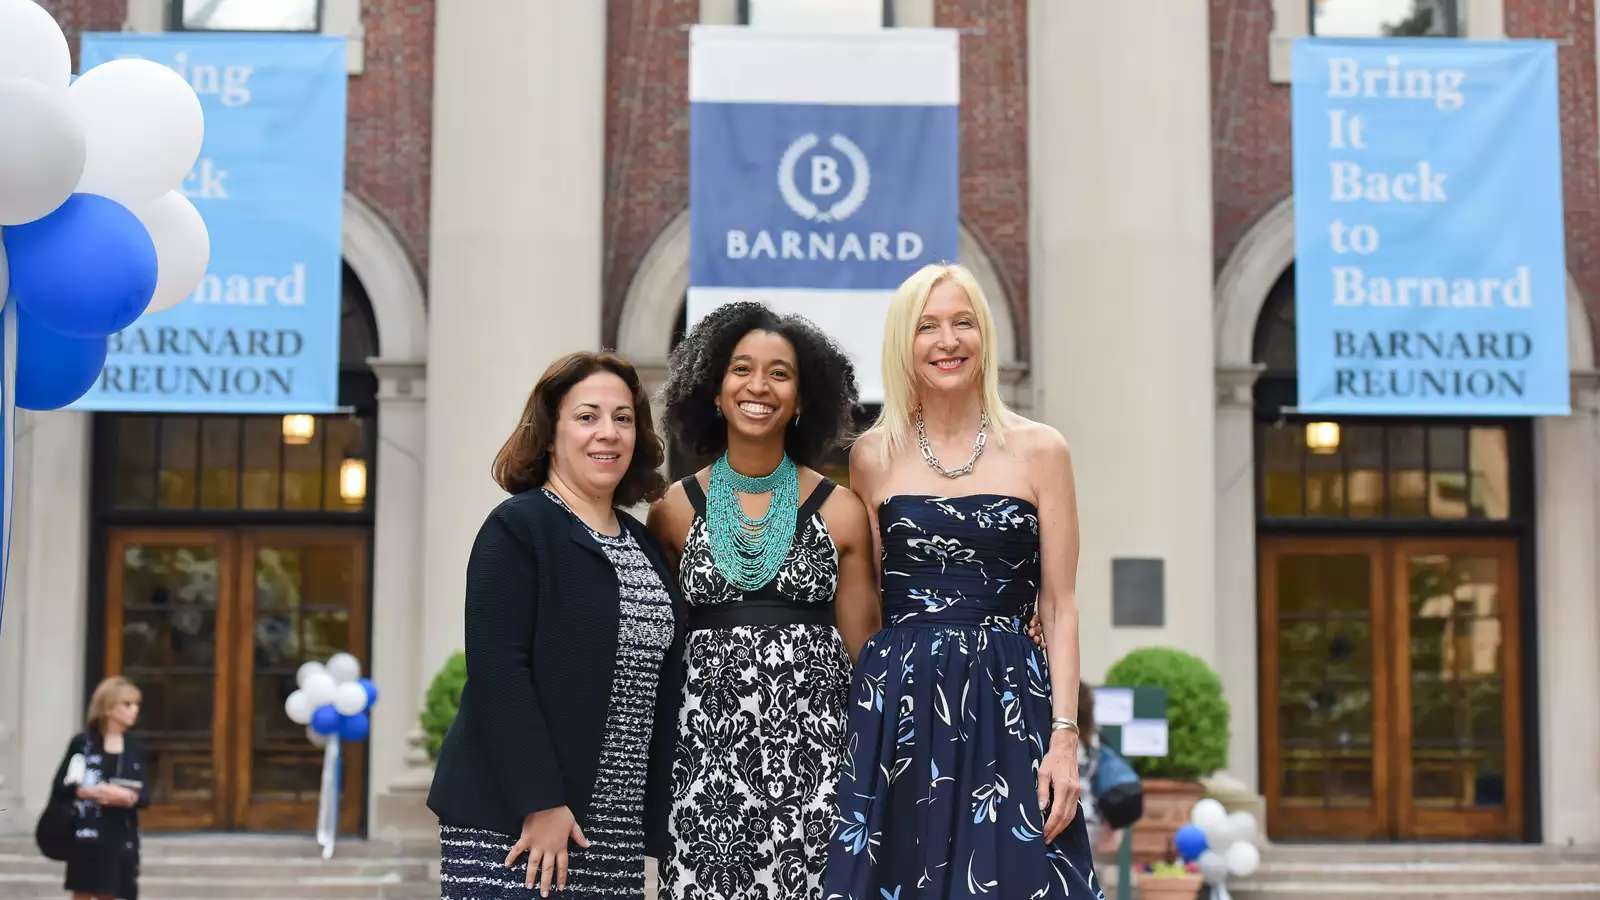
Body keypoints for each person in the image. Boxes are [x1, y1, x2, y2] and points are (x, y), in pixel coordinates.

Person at [823, 263, 1104, 900]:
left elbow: (1060, 607)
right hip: (900, 701)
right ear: (904, 343)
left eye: (962, 323)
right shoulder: (871, 456)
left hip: (1011, 700)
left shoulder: (1042, 451)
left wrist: (1065, 740)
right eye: (927, 327)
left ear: (985, 336)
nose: (947, 341)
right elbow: (865, 597)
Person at [427, 351, 683, 900]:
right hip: (522, 825)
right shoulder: (518, 527)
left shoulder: (643, 545)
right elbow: (498, 671)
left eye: (623, 418)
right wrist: (539, 801)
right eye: (587, 416)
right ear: (549, 434)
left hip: (611, 831)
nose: (607, 433)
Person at [649, 302, 881, 899]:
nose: (759, 386)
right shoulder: (671, 511)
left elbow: (867, 656)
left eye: (780, 373)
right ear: (715, 391)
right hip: (704, 768)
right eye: (741, 369)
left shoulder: (841, 510)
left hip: (819, 768)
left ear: (803, 398)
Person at [51, 675, 149, 900]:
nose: (134, 710)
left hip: (121, 836)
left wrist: (125, 796)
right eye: (127, 704)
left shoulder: (135, 748)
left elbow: (145, 796)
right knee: (83, 893)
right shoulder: (82, 743)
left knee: (115, 893)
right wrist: (91, 792)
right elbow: (61, 786)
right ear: (107, 708)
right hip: (86, 834)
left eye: (136, 705)